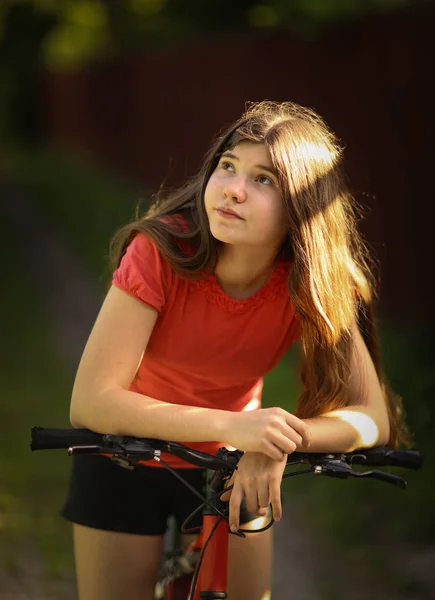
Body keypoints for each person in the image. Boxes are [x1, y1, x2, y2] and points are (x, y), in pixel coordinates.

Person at [62, 100, 410, 600]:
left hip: (232, 466)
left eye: (264, 179)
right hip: (124, 454)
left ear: (302, 207)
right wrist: (237, 428)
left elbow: (371, 417)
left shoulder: (312, 283)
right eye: (228, 166)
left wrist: (275, 442)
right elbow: (91, 402)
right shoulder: (160, 251)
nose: (233, 190)